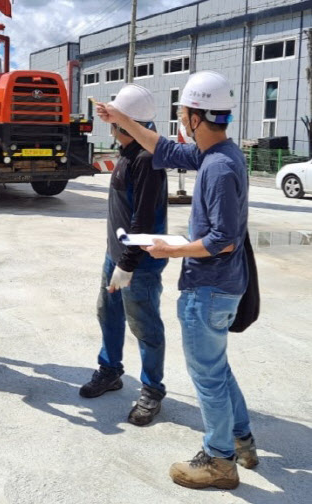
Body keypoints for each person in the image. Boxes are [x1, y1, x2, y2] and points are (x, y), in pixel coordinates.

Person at [97, 70, 258, 489]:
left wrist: (172, 249)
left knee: (207, 376)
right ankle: (241, 439)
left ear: (195, 116)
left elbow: (223, 240)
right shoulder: (215, 154)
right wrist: (122, 117)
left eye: (184, 112)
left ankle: (220, 460)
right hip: (217, 285)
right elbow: (161, 146)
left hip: (209, 287)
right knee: (217, 369)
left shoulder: (218, 168)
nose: (180, 119)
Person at [78, 84, 168, 427]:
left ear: (126, 124)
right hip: (116, 255)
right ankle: (110, 370)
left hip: (137, 263)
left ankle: (152, 390)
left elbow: (142, 218)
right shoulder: (132, 150)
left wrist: (127, 265)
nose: (110, 128)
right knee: (108, 313)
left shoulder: (146, 158)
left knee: (144, 325)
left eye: (115, 120)